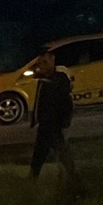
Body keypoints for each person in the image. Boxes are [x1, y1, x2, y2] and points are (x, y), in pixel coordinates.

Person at [29, 51, 76, 181]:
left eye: (45, 62)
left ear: (53, 60)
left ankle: (75, 181)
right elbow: (40, 101)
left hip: (54, 125)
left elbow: (66, 103)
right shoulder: (44, 79)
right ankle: (73, 179)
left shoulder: (59, 79)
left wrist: (64, 123)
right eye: (40, 63)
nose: (42, 66)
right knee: (44, 154)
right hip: (46, 124)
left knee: (57, 153)